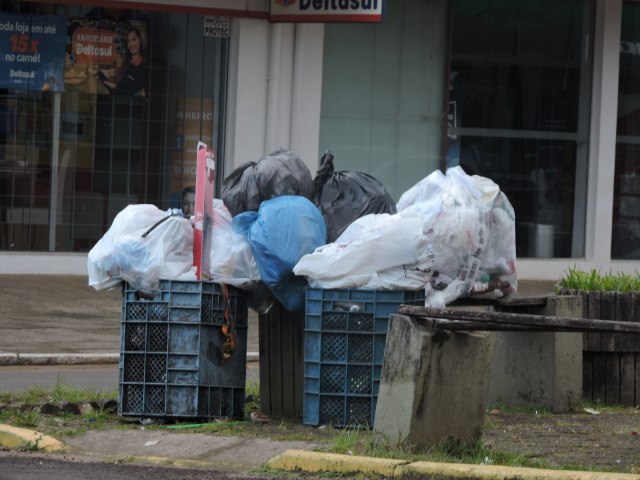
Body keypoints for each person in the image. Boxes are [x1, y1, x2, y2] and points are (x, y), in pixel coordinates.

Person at [95, 26, 148, 96]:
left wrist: (114, 86)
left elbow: (132, 93)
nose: (131, 44)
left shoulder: (142, 66)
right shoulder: (127, 62)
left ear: (140, 40)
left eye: (134, 39)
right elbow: (115, 89)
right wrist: (99, 74)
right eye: (129, 41)